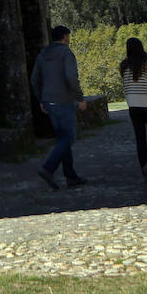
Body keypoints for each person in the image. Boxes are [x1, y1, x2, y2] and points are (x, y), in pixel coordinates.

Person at [31, 24, 88, 190]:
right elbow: (71, 77)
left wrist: (41, 99)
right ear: (64, 37)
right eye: (68, 37)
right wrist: (80, 98)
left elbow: (35, 79)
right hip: (64, 101)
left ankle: (71, 176)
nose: (69, 40)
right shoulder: (66, 53)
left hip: (49, 102)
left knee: (62, 138)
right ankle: (48, 168)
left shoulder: (42, 54)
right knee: (69, 137)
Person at [119, 37, 147, 184]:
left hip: (132, 105)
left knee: (140, 139)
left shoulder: (123, 66)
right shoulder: (145, 64)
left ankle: (144, 167)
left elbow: (126, 84)